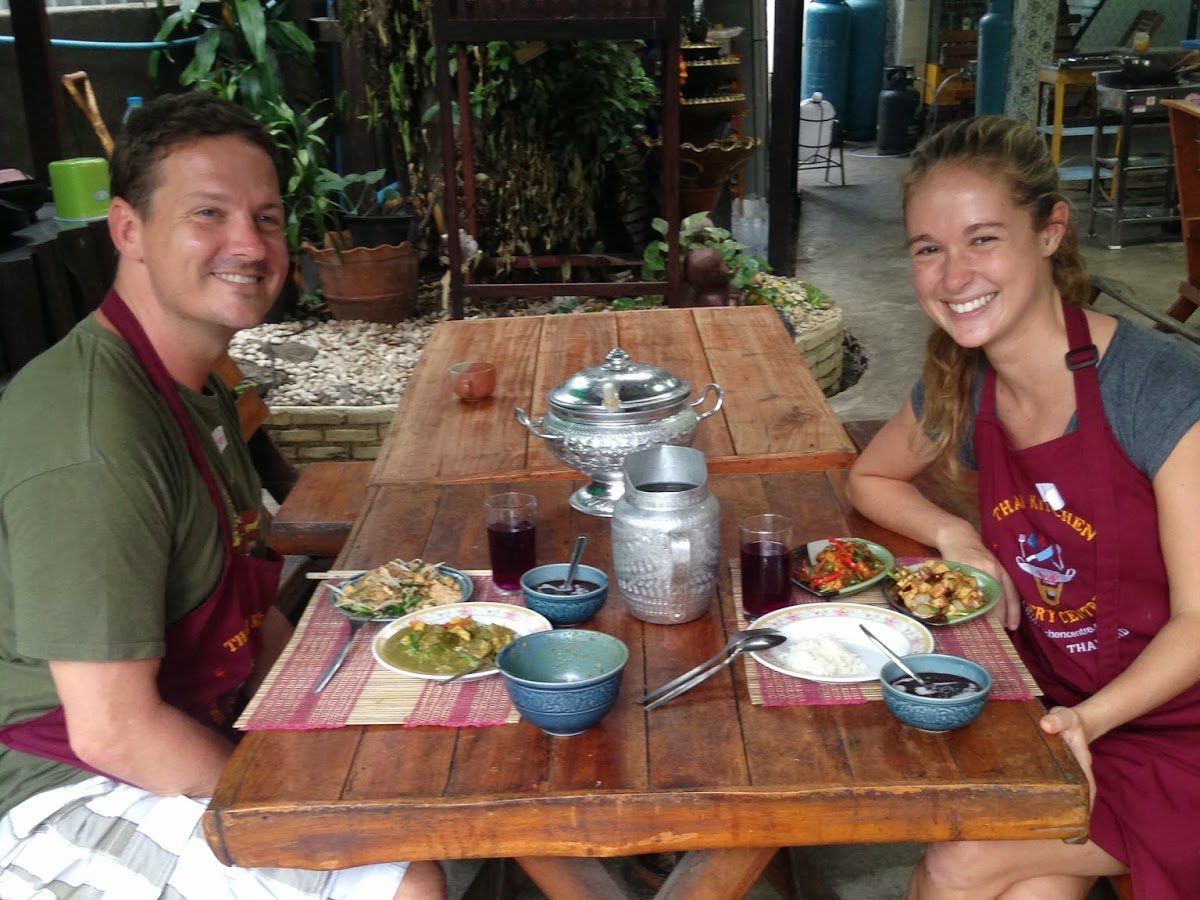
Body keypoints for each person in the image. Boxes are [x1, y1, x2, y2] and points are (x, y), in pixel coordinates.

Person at [0, 92, 445, 899]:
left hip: (188, 722)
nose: (248, 244)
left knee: (432, 769)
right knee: (404, 879)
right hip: (60, 791)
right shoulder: (94, 435)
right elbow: (113, 730)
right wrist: (297, 802)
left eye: (267, 218)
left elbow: (252, 609)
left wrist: (347, 716)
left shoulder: (199, 388)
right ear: (128, 230)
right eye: (209, 213)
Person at [847, 116, 1200, 899]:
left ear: (1049, 232)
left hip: (1178, 729)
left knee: (962, 861)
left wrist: (1091, 720)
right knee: (1033, 888)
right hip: (1058, 701)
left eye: (982, 239)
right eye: (928, 249)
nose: (952, 275)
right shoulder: (962, 381)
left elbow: (1199, 621)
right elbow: (871, 479)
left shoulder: (1155, 390)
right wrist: (955, 534)